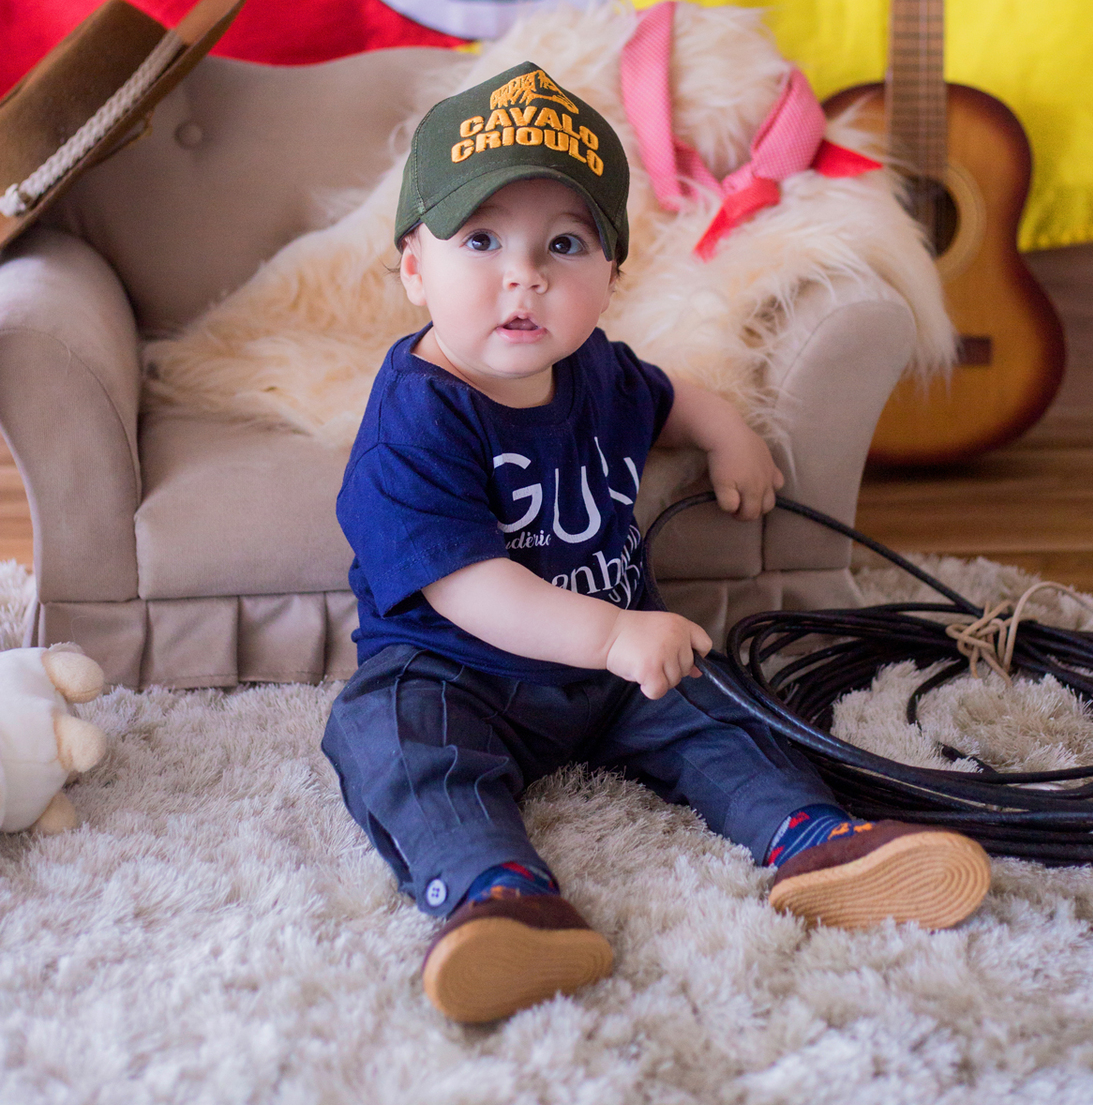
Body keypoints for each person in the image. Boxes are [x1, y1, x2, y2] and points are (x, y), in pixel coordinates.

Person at [322, 61, 991, 1024]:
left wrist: (729, 435)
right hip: (455, 667)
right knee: (390, 742)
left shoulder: (592, 369)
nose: (525, 276)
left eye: (563, 244)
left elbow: (669, 395)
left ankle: (814, 841)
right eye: (480, 240)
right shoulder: (415, 420)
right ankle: (496, 895)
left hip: (612, 671)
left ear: (611, 274)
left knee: (720, 710)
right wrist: (610, 636)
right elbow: (469, 587)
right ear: (414, 266)